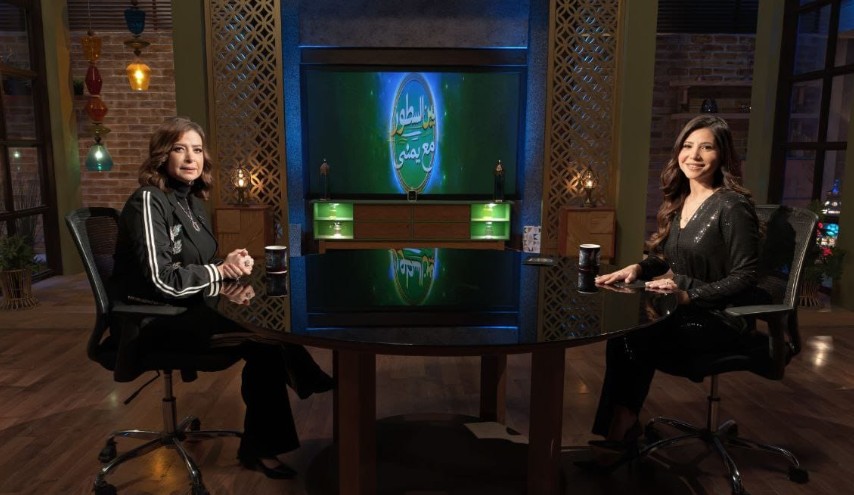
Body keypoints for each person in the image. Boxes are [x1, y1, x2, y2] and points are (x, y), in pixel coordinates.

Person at [110, 116, 333, 479]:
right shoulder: (148, 201)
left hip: (186, 308)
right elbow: (163, 280)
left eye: (197, 150)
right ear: (162, 156)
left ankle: (284, 414)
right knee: (263, 340)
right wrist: (218, 273)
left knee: (264, 334)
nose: (190, 158)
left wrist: (226, 265)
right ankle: (301, 390)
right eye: (179, 149)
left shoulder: (192, 202)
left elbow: (196, 264)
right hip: (153, 319)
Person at [588, 115, 767, 468]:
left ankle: (621, 430)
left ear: (722, 155)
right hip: (686, 308)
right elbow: (664, 257)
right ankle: (619, 427)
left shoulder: (732, 206)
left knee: (639, 335)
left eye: (706, 147)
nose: (694, 155)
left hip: (723, 317)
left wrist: (689, 295)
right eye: (688, 146)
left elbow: (746, 276)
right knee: (624, 333)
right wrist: (637, 268)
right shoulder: (681, 200)